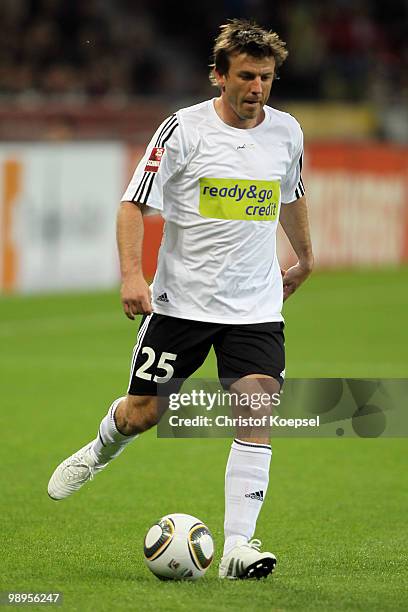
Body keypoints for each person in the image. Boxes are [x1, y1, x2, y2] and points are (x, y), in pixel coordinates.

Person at [48, 18, 314, 580]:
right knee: (143, 413)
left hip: (255, 307)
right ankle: (100, 450)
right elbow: (131, 205)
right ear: (218, 76)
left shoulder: (286, 131)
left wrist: (306, 256)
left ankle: (239, 547)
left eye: (266, 77)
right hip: (180, 306)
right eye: (245, 76)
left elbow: (292, 194)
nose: (257, 89)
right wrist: (131, 275)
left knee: (257, 402)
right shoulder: (182, 131)